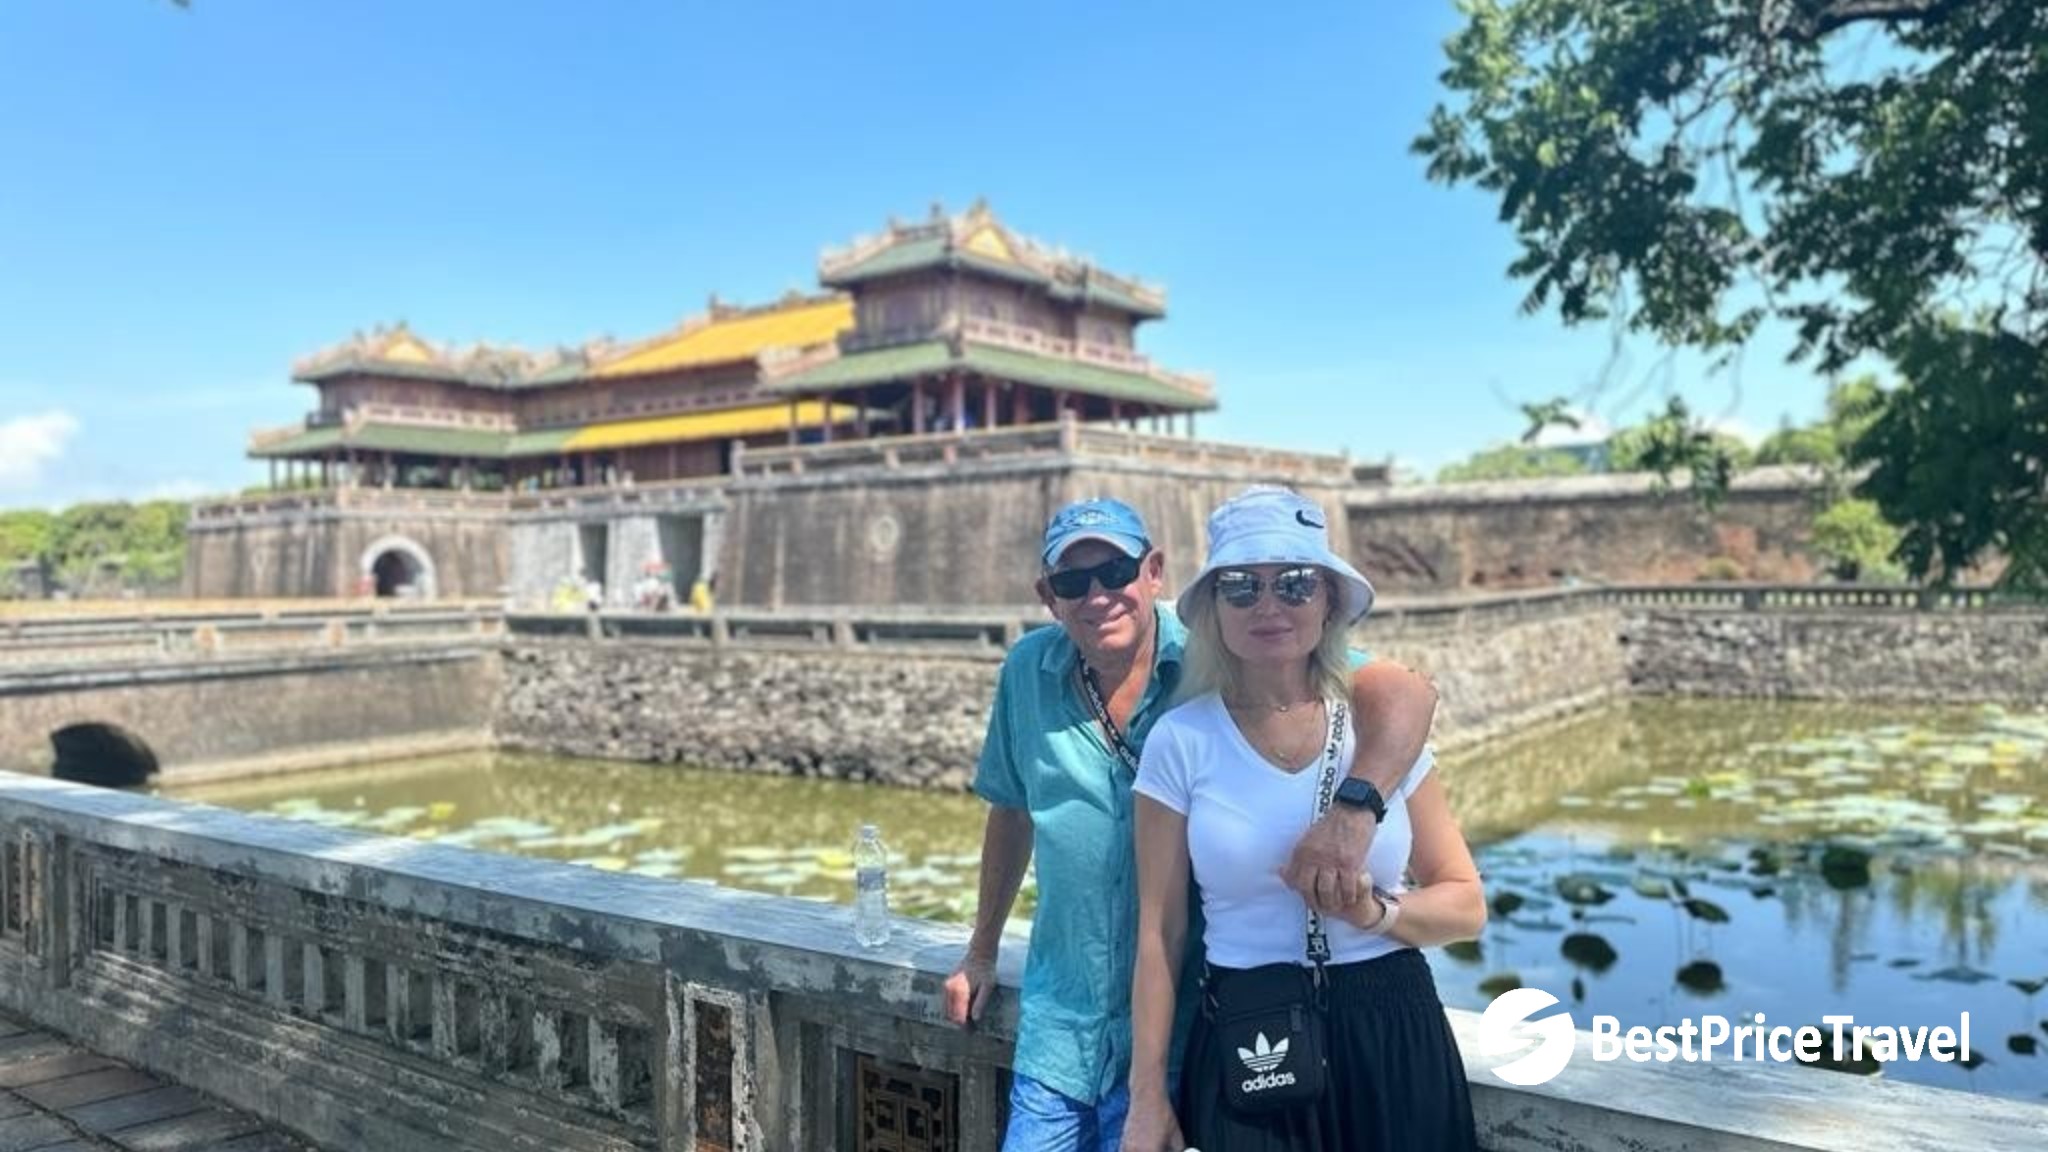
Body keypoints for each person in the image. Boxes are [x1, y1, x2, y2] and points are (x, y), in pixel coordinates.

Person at [943, 496, 1440, 1152]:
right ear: (1047, 596)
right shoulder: (1026, 674)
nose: (1098, 596)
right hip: (1061, 1022)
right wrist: (981, 951)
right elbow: (1009, 811)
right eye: (1072, 582)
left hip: (1183, 1033)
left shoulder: (1226, 649)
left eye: (1116, 572)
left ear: (1153, 571)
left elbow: (1406, 691)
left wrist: (1353, 809)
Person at [1124, 487, 1486, 1152]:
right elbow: (1160, 933)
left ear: (1327, 602)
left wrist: (1377, 915)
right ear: (1211, 609)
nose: (1269, 605)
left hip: (1393, 1025)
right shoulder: (1181, 741)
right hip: (1251, 1026)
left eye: (1294, 584)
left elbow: (1465, 904)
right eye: (1241, 587)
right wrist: (1146, 1098)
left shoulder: (1380, 737)